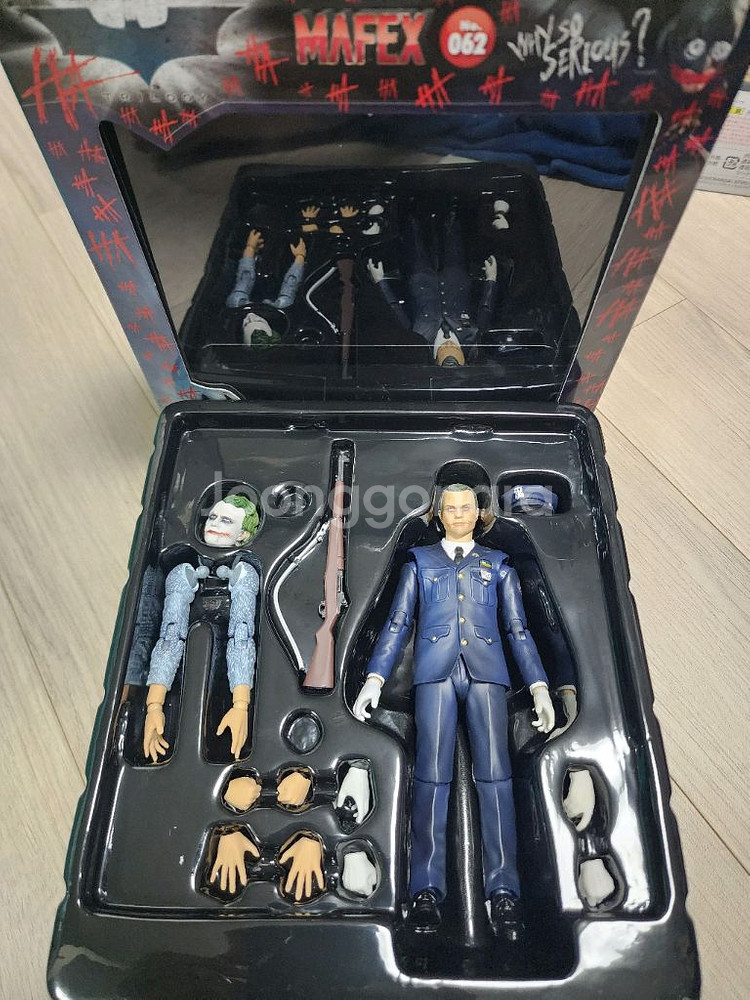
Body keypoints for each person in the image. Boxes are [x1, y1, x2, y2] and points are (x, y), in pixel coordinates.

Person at [353, 483, 554, 940]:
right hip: (434, 674)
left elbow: (518, 629)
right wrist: (375, 678)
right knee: (431, 775)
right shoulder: (419, 563)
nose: (460, 514)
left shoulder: (498, 565)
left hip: (487, 674)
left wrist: (539, 686)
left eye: (467, 507)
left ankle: (504, 892)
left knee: (496, 776)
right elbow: (398, 622)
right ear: (438, 514)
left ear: (479, 513)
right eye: (451, 508)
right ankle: (425, 889)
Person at [367, 211, 498, 368]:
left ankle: (411, 212)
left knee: (414, 235)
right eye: (453, 348)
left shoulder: (418, 339)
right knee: (453, 233)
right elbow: (486, 307)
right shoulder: (474, 336)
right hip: (455, 279)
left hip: (421, 280)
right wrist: (491, 278)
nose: (449, 345)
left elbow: (395, 309)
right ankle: (452, 211)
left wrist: (380, 281)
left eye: (445, 349)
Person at [226, 228, 307, 311]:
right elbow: (289, 290)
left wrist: (250, 248)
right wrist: (300, 256)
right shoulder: (236, 303)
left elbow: (244, 281)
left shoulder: (236, 303)